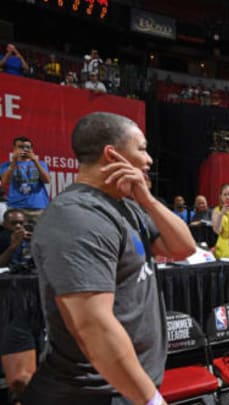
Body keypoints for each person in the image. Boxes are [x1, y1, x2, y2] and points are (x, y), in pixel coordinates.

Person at [24, 112, 195, 404]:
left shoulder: (129, 206)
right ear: (112, 155)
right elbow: (94, 327)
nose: (149, 159)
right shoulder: (76, 217)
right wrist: (150, 400)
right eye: (141, 149)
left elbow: (183, 248)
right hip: (92, 393)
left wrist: (148, 200)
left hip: (127, 388)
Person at [0, 209, 39, 403]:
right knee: (20, 379)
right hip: (9, 297)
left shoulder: (34, 239)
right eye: (13, 224)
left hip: (33, 292)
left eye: (21, 223)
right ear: (5, 225)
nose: (18, 227)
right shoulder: (3, 239)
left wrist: (37, 243)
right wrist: (12, 247)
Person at [0, 137, 51, 221]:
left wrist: (35, 160)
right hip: (16, 207)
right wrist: (14, 161)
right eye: (20, 147)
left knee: (40, 233)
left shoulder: (41, 164)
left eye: (28, 147)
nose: (24, 149)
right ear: (14, 149)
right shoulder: (5, 165)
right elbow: (5, 181)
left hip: (39, 207)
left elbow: (47, 180)